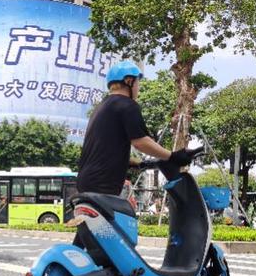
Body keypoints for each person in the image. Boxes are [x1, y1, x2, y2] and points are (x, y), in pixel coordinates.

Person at [76, 61, 196, 198]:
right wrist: (172, 156)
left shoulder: (102, 108)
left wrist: (137, 163)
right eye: (138, 82)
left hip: (86, 182)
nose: (138, 87)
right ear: (129, 81)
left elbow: (104, 146)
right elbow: (140, 142)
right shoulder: (127, 104)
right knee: (126, 217)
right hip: (103, 183)